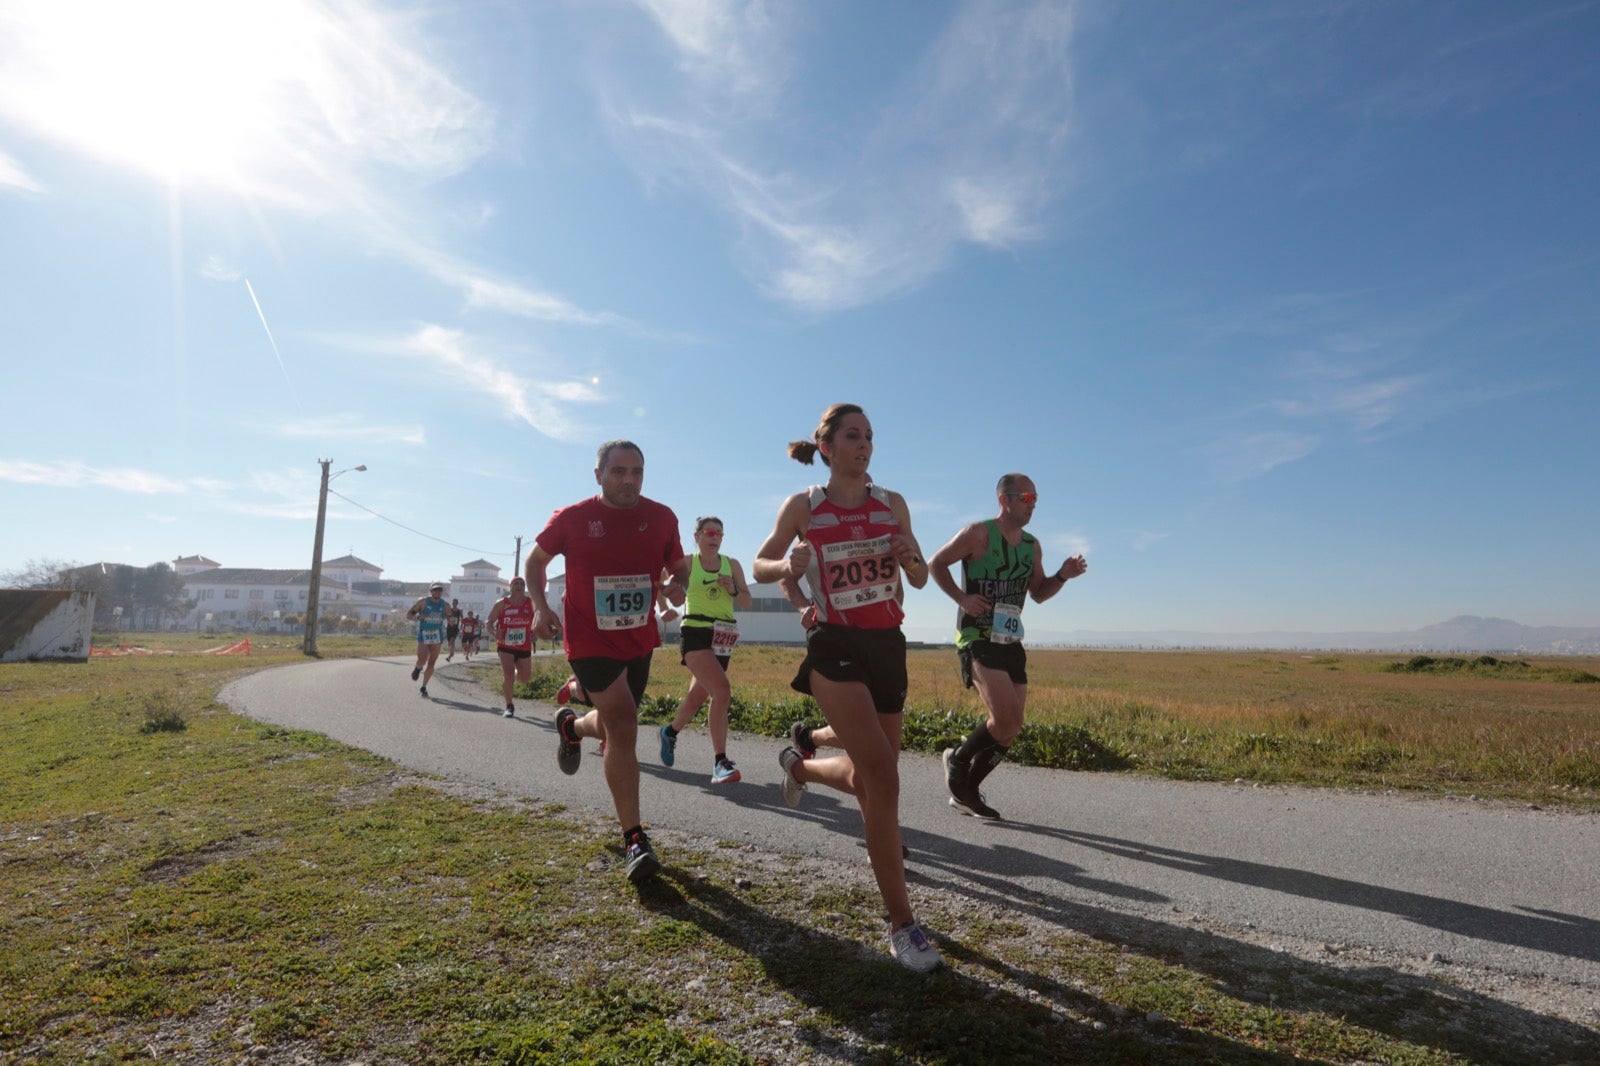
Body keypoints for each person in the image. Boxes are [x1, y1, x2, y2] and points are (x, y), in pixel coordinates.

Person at [755, 403, 942, 973]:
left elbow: (919, 577)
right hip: (834, 644)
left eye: (870, 437)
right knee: (884, 778)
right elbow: (760, 565)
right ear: (828, 447)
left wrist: (911, 560)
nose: (864, 446)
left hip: (887, 645)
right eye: (853, 436)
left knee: (870, 778)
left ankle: (800, 767)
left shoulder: (892, 503)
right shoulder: (805, 506)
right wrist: (789, 566)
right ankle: (903, 925)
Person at [524, 440, 689, 883]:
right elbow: (535, 562)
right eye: (619, 471)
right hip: (588, 638)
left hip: (638, 639)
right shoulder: (572, 518)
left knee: (617, 723)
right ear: (598, 475)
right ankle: (635, 839)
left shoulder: (662, 517)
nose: (629, 480)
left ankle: (572, 728)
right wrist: (540, 607)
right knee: (624, 721)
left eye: (637, 472)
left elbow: (680, 567)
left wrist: (678, 584)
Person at [928, 473, 1088, 819]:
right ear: (1005, 500)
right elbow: (936, 563)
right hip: (977, 636)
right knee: (1006, 718)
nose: (1033, 505)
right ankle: (957, 760)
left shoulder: (1032, 546)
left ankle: (967, 792)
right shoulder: (978, 534)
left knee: (1010, 728)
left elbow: (1039, 593)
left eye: (1036, 499)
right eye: (1026, 498)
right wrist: (962, 598)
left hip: (1011, 640)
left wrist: (1062, 575)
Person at [658, 516, 754, 784]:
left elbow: (747, 601)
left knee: (696, 698)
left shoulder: (732, 564)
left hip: (723, 635)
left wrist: (733, 589)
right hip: (696, 632)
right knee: (722, 691)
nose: (715, 538)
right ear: (697, 536)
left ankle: (669, 732)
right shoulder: (689, 563)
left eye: (719, 534)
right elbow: (660, 577)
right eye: (710, 532)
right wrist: (663, 608)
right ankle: (720, 762)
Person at [485, 579, 536, 718]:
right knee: (508, 675)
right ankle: (509, 706)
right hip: (505, 645)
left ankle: (514, 673)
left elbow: (537, 622)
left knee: (524, 678)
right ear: (510, 587)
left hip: (524, 645)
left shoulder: (531, 603)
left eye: (522, 584)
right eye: (516, 584)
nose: (519, 586)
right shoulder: (501, 604)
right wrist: (495, 633)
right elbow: (488, 623)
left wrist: (535, 633)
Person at [406, 582, 449, 697]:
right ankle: (418, 667)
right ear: (431, 592)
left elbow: (450, 617)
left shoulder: (445, 605)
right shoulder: (423, 602)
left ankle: (424, 686)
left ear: (442, 593)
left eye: (439, 591)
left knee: (431, 663)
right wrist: (418, 617)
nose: (437, 592)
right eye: (435, 590)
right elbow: (409, 615)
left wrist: (449, 619)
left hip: (437, 636)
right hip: (424, 634)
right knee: (423, 659)